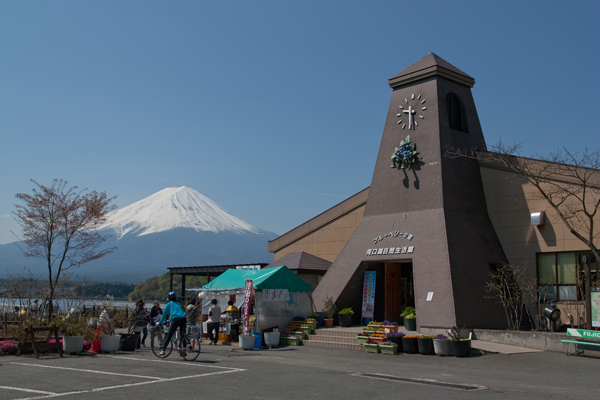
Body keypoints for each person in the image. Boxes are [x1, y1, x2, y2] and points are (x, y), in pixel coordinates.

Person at [156, 292, 187, 356]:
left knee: (169, 335)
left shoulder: (169, 304)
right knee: (182, 335)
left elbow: (164, 314)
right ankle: (184, 350)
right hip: (183, 319)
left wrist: (159, 322)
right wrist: (169, 320)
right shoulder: (177, 303)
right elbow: (177, 314)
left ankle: (163, 351)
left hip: (176, 319)